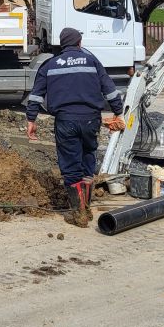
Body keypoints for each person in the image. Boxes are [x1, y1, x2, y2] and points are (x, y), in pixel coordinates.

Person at [26, 27, 124, 227]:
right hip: (91, 120)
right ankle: (86, 208)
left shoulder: (50, 64)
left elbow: (36, 95)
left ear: (62, 45)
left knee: (71, 165)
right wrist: (117, 111)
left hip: (66, 121)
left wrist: (31, 120)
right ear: (79, 43)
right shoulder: (92, 61)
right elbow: (110, 89)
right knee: (88, 158)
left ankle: (78, 212)